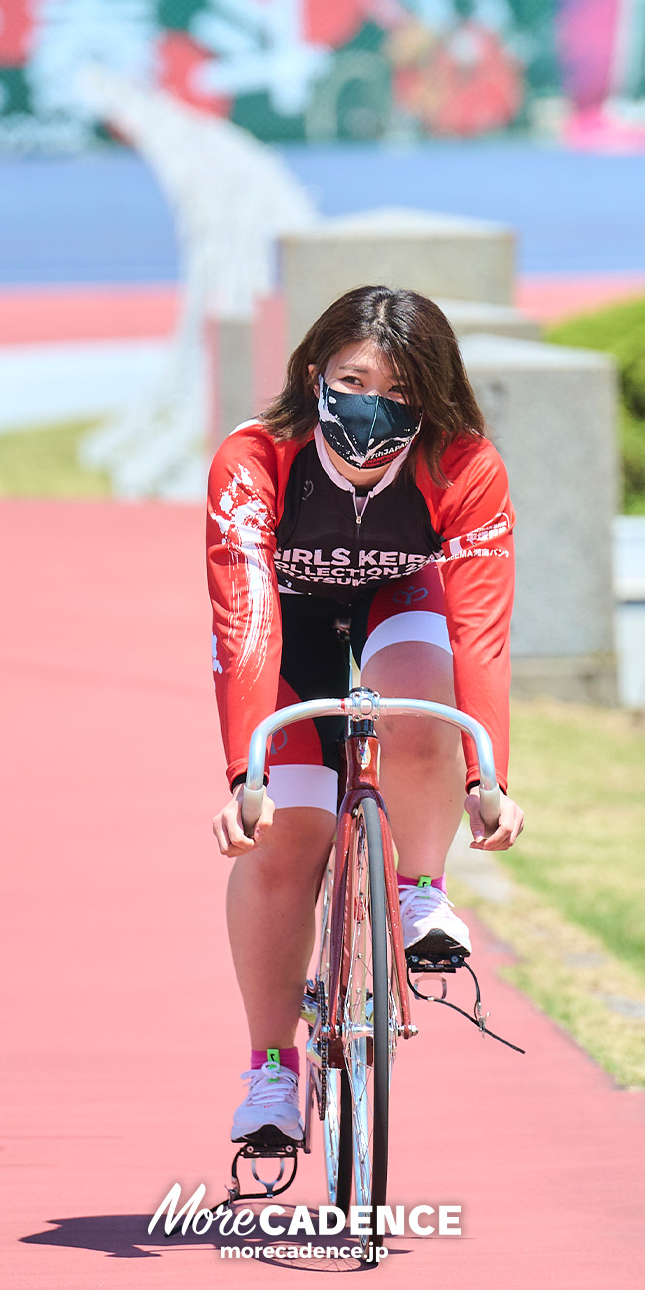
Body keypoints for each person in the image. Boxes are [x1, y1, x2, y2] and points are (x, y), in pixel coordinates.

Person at [206, 286, 526, 1147]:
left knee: (420, 709)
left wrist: (487, 778)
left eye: (400, 393)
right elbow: (244, 621)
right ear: (314, 376)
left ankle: (420, 891)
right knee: (288, 836)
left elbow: (481, 631)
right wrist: (248, 775)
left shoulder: (464, 466)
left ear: (431, 399)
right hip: (289, 623)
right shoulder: (255, 458)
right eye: (352, 380)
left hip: (401, 601)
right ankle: (271, 1070)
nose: (372, 407)